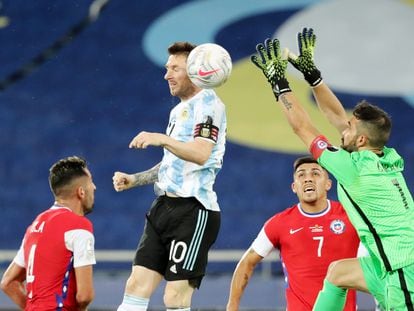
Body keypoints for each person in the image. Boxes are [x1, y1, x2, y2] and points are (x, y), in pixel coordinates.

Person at [251, 28, 414, 310]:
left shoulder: (355, 168)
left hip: (403, 273)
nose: (343, 126)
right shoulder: (384, 157)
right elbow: (337, 117)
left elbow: (302, 127)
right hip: (388, 261)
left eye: (350, 127)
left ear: (361, 139)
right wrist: (314, 77)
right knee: (338, 273)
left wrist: (279, 84)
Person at [112, 41, 226, 311]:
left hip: (194, 209)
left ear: (197, 70)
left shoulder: (209, 103)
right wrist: (135, 179)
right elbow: (173, 163)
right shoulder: (179, 110)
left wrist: (160, 138)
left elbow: (200, 153)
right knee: (135, 286)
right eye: (167, 68)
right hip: (163, 206)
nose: (167, 75)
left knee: (175, 297)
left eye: (175, 68)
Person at [226, 156, 360, 311]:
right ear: (294, 187)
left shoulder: (352, 217)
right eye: (301, 175)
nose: (308, 179)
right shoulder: (279, 223)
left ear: (328, 184)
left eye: (315, 174)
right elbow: (247, 262)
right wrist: (232, 306)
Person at [0, 156, 96, 310]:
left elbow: (8, 283)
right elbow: (85, 296)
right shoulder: (79, 226)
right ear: (81, 192)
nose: (95, 187)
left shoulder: (34, 226)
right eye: (91, 182)